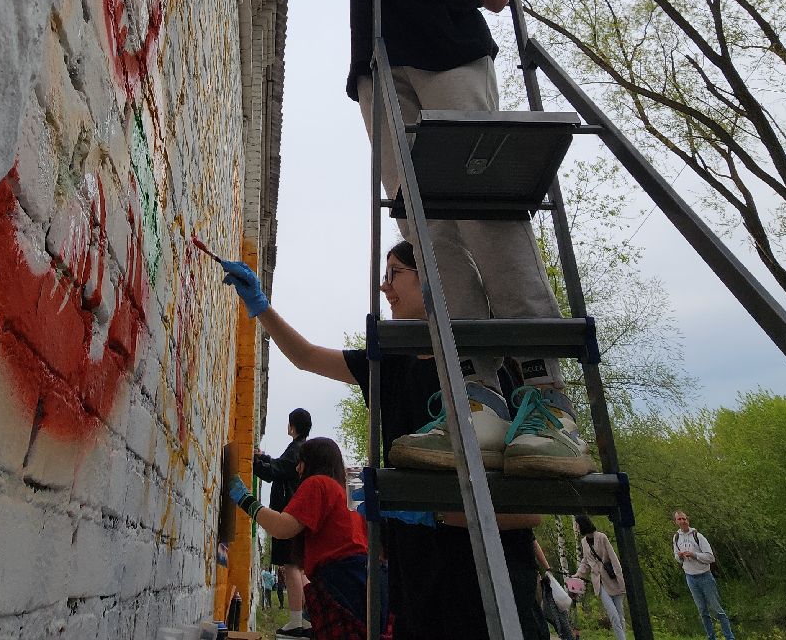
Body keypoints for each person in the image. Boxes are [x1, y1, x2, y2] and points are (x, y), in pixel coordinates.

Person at [233, 0, 593, 478]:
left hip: (450, 61)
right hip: (381, 78)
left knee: (488, 216)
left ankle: (548, 399)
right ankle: (480, 398)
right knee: (428, 235)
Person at [219, 242, 549, 640]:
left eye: (395, 273)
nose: (384, 286)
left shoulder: (490, 381)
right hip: (415, 595)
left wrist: (434, 511)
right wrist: (260, 304)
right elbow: (306, 356)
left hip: (487, 594)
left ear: (430, 278)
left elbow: (529, 512)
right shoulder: (390, 366)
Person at [229, 437, 381, 639]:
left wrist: (244, 499)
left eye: (301, 462)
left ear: (314, 462)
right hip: (361, 580)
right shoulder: (344, 492)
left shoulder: (318, 484)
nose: (298, 469)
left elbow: (282, 527)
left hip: (339, 581)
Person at [256, 407, 313, 635]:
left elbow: (276, 470)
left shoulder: (297, 449)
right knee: (297, 568)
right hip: (296, 513)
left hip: (287, 514)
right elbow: (279, 466)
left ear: (292, 426)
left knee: (291, 567)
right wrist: (263, 459)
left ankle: (297, 620)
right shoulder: (302, 449)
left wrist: (255, 462)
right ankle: (308, 617)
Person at [672, 510, 735, 640]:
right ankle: (711, 637)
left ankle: (729, 637)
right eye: (679, 519)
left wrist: (694, 555)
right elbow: (677, 558)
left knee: (717, 609)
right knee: (702, 611)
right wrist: (679, 556)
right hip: (690, 577)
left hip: (705, 576)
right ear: (676, 522)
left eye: (684, 519)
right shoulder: (676, 538)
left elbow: (711, 557)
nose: (682, 521)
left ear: (687, 519)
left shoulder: (698, 536)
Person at [573, 515, 626, 640]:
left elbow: (614, 559)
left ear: (582, 524)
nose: (576, 527)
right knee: (613, 614)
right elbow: (585, 561)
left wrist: (621, 581)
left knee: (619, 614)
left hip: (613, 579)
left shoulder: (602, 537)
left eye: (577, 524)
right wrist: (578, 574)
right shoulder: (583, 542)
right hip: (599, 582)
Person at [536, 538, 576, 640]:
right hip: (531, 575)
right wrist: (547, 568)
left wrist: (547, 568)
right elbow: (534, 544)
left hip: (530, 575)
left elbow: (534, 543)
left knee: (541, 611)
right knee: (541, 611)